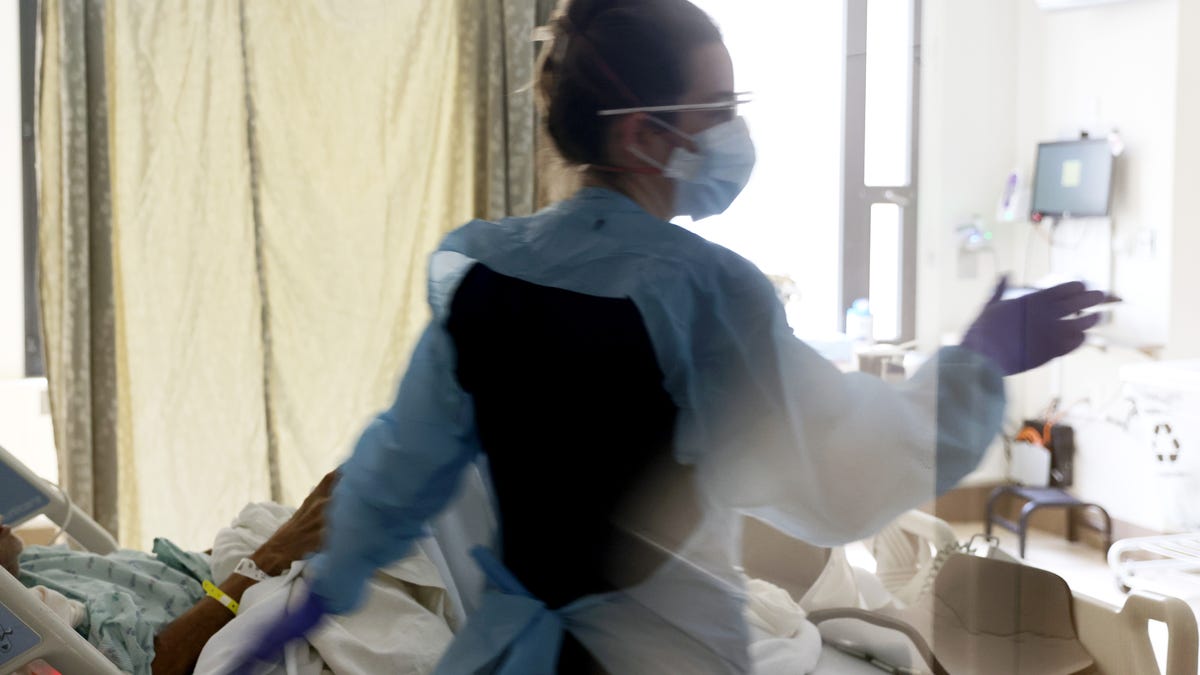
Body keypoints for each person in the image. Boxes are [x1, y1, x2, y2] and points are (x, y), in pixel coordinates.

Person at [235, 0, 1107, 672]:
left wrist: (289, 615)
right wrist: (982, 360)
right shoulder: (703, 294)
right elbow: (846, 474)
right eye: (717, 109)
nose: (735, 131)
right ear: (642, 135)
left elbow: (393, 470)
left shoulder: (485, 267)